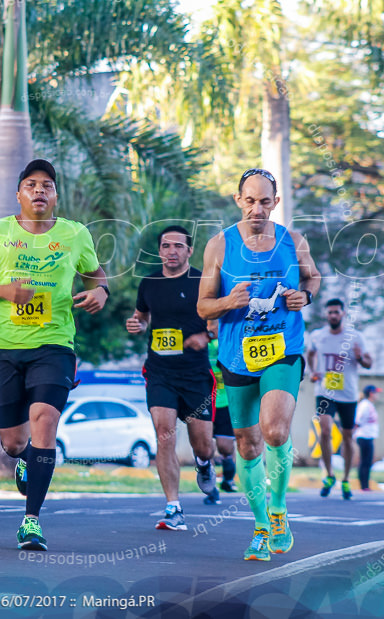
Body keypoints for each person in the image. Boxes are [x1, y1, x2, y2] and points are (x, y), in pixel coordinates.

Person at [0, 159, 108, 551]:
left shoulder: (75, 234)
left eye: (47, 185)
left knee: (44, 420)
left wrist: (100, 292)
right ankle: (24, 456)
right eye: (31, 184)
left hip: (54, 343)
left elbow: (96, 274)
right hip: (3, 346)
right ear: (19, 194)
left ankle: (31, 520)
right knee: (11, 443)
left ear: (56, 195)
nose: (39, 190)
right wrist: (3, 292)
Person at [198, 168, 321, 562]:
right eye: (249, 200)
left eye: (265, 201)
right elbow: (203, 305)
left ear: (276, 202)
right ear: (238, 200)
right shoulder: (219, 245)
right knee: (248, 446)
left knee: (274, 429)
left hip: (282, 348)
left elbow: (313, 278)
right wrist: (226, 303)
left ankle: (280, 509)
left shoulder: (293, 241)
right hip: (236, 355)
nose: (257, 209)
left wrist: (306, 295)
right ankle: (260, 526)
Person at [125, 225, 218, 529]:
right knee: (164, 433)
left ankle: (205, 464)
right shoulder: (149, 283)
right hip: (160, 372)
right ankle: (173, 508)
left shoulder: (201, 282)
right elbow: (142, 316)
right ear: (160, 250)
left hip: (195, 375)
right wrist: (137, 325)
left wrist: (205, 336)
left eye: (179, 246)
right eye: (166, 246)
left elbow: (218, 319)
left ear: (190, 251)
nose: (172, 251)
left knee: (202, 444)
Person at [307, 299, 372, 500]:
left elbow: (369, 363)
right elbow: (310, 353)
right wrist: (313, 371)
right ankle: (329, 474)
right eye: (330, 312)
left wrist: (360, 357)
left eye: (336, 312)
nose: (333, 315)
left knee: (347, 437)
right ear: (326, 315)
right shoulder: (318, 335)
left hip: (349, 394)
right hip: (325, 391)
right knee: (324, 431)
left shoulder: (355, 337)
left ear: (343, 314)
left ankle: (344, 479)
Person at [209, 338, 238, 501]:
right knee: (204, 447)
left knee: (225, 447)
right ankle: (211, 487)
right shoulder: (198, 338)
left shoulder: (227, 340)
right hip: (204, 401)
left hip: (225, 402)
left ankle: (228, 479)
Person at [354, 385, 382, 492]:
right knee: (365, 461)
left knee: (367, 461)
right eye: (376, 392)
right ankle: (363, 485)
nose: (377, 395)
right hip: (364, 436)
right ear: (371, 393)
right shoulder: (365, 405)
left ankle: (365, 485)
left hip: (368, 436)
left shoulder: (369, 405)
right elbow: (358, 420)